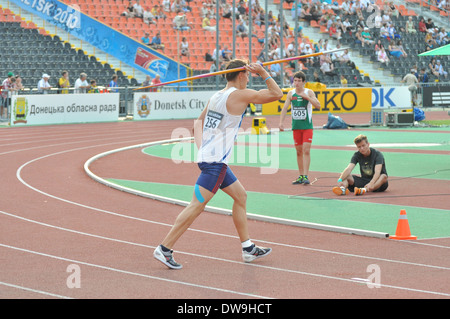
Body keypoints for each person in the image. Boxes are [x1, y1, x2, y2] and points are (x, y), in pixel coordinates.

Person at [153, 59, 283, 269]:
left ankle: (248, 248)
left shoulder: (216, 96)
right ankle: (165, 248)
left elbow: (197, 124)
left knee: (240, 196)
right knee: (196, 205)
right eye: (248, 75)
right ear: (241, 75)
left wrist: (203, 150)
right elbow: (277, 94)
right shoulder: (239, 95)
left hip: (212, 159)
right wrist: (263, 71)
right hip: (215, 163)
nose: (249, 78)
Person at [279, 71, 321, 185]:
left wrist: (307, 97)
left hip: (307, 126)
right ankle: (301, 175)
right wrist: (281, 122)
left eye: (299, 81)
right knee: (298, 152)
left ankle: (306, 176)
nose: (296, 83)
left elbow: (318, 105)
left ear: (303, 82)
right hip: (296, 127)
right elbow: (284, 108)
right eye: (295, 80)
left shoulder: (309, 92)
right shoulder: (290, 94)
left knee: (306, 150)